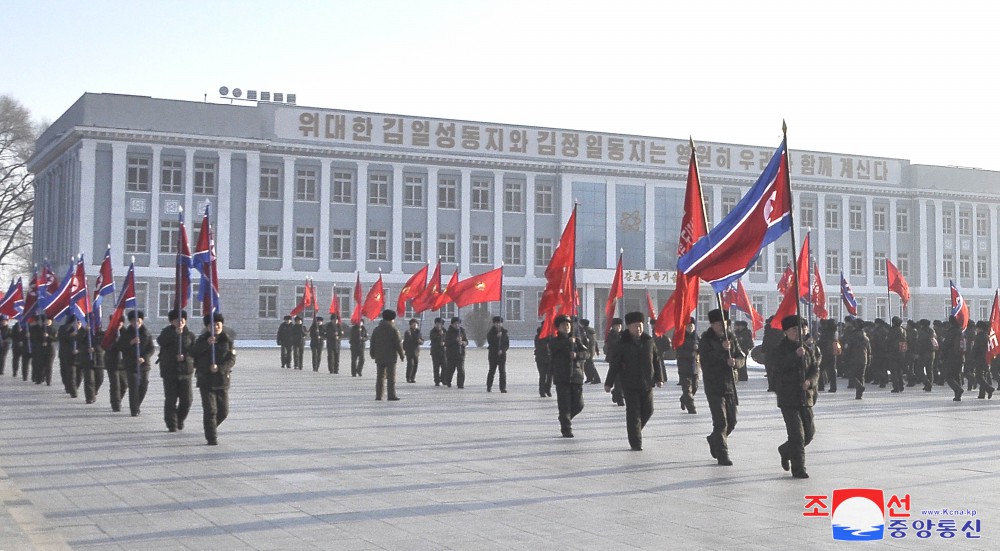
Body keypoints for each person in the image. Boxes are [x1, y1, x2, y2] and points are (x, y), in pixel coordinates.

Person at [604, 312, 663, 451]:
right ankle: (636, 442)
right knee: (633, 413)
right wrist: (609, 382)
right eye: (636, 326)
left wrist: (659, 378)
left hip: (647, 383)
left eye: (641, 326)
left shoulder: (649, 341)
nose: (639, 328)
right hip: (629, 383)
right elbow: (615, 364)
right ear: (629, 327)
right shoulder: (622, 343)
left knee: (648, 410)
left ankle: (635, 431)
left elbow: (656, 360)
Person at [771, 315, 821, 479]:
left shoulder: (807, 349)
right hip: (788, 397)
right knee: (797, 436)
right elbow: (777, 368)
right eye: (794, 329)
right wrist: (794, 356)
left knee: (809, 433)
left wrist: (810, 382)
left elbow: (815, 369)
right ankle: (799, 469)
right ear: (786, 332)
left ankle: (785, 450)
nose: (799, 332)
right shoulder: (780, 349)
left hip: (805, 396)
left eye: (802, 328)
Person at [699, 309, 744, 466]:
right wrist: (722, 351)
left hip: (730, 384)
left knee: (731, 421)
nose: (723, 328)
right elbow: (706, 360)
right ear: (712, 325)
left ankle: (714, 439)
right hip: (714, 385)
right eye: (719, 325)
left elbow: (741, 356)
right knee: (720, 422)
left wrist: (736, 363)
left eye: (725, 324)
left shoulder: (731, 338)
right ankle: (722, 455)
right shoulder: (706, 340)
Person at [192, 313, 236, 445]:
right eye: (213, 325)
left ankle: (210, 428)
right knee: (210, 410)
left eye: (218, 324)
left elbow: (232, 359)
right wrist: (206, 344)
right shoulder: (201, 340)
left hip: (222, 380)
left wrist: (220, 368)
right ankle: (211, 437)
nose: (216, 327)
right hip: (206, 380)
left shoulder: (227, 340)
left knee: (223, 411)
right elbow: (193, 353)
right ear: (207, 327)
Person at [157, 309, 196, 432]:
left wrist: (185, 357)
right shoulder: (166, 332)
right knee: (171, 399)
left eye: (183, 319)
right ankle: (171, 424)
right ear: (172, 321)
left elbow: (195, 352)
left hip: (186, 371)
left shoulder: (190, 335)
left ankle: (179, 419)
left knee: (187, 400)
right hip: (170, 371)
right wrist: (175, 334)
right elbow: (161, 341)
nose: (181, 321)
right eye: (177, 319)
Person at [549, 315, 586, 437]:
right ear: (558, 327)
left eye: (568, 325)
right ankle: (566, 429)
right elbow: (554, 348)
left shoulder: (576, 339)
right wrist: (567, 342)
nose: (567, 327)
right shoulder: (555, 340)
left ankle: (565, 418)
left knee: (579, 405)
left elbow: (587, 353)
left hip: (576, 376)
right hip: (562, 377)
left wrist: (577, 355)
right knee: (564, 405)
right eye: (564, 325)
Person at [117, 310, 155, 417]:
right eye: (134, 321)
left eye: (138, 320)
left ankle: (137, 405)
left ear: (142, 320)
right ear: (130, 322)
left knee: (143, 386)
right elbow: (120, 346)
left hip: (144, 365)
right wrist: (131, 342)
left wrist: (144, 357)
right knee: (133, 387)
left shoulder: (146, 333)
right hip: (130, 364)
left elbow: (151, 348)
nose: (136, 322)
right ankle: (134, 409)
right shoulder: (126, 333)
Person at [370, 309, 404, 401]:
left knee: (380, 377)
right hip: (390, 357)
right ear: (391, 319)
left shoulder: (377, 329)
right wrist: (401, 355)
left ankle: (379, 395)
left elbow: (372, 342)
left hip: (379, 356)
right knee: (391, 377)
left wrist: (372, 353)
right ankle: (391, 395)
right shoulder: (393, 330)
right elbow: (398, 344)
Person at [76, 314, 105, 404]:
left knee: (99, 379)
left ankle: (93, 392)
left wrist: (95, 348)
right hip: (87, 359)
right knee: (89, 380)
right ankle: (89, 397)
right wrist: (85, 331)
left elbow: (103, 345)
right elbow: (78, 342)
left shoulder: (100, 333)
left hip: (98, 359)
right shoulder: (82, 332)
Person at [676, 317, 700, 414]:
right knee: (687, 389)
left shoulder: (696, 337)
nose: (690, 328)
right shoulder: (681, 338)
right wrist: (691, 354)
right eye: (688, 326)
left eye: (692, 326)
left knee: (694, 388)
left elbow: (703, 347)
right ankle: (691, 409)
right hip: (684, 367)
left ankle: (683, 399)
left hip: (695, 368)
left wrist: (698, 349)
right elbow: (679, 351)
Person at [843, 318, 871, 400]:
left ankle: (859, 386)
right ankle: (859, 395)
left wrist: (845, 358)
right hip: (864, 359)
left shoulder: (852, 336)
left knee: (851, 375)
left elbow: (848, 349)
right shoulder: (866, 337)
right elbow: (869, 350)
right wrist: (869, 360)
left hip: (854, 359)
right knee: (861, 377)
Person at [104, 317, 128, 412]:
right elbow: (105, 346)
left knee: (124, 385)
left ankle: (117, 399)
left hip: (123, 363)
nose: (119, 324)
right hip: (112, 362)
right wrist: (115, 343)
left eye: (120, 322)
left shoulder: (127, 333)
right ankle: (115, 404)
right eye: (116, 322)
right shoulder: (108, 333)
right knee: (115, 385)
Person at [941, 315, 966, 401]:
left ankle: (958, 390)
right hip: (960, 356)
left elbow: (945, 345)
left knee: (948, 376)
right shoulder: (960, 332)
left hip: (951, 356)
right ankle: (958, 395)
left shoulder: (951, 332)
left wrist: (942, 356)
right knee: (956, 375)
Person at [29, 314, 56, 386]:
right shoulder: (41, 329)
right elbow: (36, 337)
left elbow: (55, 339)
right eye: (46, 320)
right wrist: (42, 338)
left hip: (50, 350)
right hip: (41, 349)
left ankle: (48, 381)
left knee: (49, 366)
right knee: (40, 365)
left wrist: (48, 336)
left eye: (49, 320)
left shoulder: (54, 329)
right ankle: (39, 379)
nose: (47, 322)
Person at [486, 316, 510, 393]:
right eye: (497, 323)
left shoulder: (504, 333)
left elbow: (506, 344)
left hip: (502, 355)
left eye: (500, 323)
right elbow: (490, 342)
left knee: (502, 371)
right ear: (494, 324)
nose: (498, 325)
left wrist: (502, 350)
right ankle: (489, 386)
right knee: (492, 371)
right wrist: (497, 337)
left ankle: (502, 387)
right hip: (493, 354)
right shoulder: (491, 333)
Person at [604, 318, 625, 406]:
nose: (618, 327)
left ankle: (616, 393)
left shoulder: (624, 334)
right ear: (613, 326)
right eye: (617, 326)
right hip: (614, 360)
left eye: (620, 326)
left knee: (624, 380)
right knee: (617, 380)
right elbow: (612, 344)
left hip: (624, 361)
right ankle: (620, 399)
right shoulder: (610, 335)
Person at [971, 320, 994, 399]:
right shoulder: (987, 336)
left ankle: (989, 389)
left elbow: (975, 349)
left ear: (980, 328)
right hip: (987, 359)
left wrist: (972, 357)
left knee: (979, 376)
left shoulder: (979, 337)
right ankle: (982, 394)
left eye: (977, 328)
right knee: (983, 376)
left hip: (980, 359)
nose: (976, 330)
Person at [58, 316, 79, 397]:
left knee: (76, 374)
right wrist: (71, 335)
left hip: (78, 355)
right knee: (67, 372)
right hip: (65, 354)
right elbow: (61, 338)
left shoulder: (82, 330)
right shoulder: (63, 328)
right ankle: (70, 388)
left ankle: (72, 388)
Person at [444, 317, 468, 388]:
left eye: (458, 324)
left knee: (461, 369)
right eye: (455, 324)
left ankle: (460, 384)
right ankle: (448, 381)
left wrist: (463, 342)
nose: (457, 325)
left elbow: (466, 341)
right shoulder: (449, 332)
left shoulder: (462, 331)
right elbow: (447, 343)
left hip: (461, 353)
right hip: (451, 354)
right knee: (450, 369)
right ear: (452, 324)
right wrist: (455, 340)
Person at [886, 316, 908, 393]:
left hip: (893, 352)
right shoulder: (903, 330)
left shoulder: (892, 330)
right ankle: (901, 385)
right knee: (899, 370)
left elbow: (888, 341)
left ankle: (896, 386)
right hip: (901, 352)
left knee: (894, 371)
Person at [402, 318, 423, 383]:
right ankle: (408, 377)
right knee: (410, 364)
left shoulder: (418, 332)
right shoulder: (408, 332)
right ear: (410, 325)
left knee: (415, 365)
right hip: (409, 351)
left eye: (416, 324)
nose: (415, 326)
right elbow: (408, 340)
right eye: (413, 324)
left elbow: (422, 341)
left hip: (416, 351)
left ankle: (413, 377)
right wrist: (416, 339)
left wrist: (420, 341)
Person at [580, 319, 601, 384]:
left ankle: (597, 379)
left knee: (590, 365)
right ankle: (589, 378)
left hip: (588, 350)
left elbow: (585, 341)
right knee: (587, 364)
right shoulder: (592, 331)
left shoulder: (585, 331)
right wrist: (597, 350)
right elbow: (595, 341)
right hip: (592, 349)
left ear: (583, 324)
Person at [534, 325, 552, 398]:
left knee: (550, 376)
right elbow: (538, 347)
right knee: (542, 376)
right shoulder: (538, 336)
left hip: (550, 358)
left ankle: (547, 389)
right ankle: (542, 391)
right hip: (541, 358)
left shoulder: (552, 336)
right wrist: (547, 345)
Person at [429, 317, 447, 386]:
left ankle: (443, 379)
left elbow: (447, 339)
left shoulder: (444, 330)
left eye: (440, 324)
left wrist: (444, 343)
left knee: (445, 366)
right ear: (435, 324)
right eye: (437, 324)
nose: (439, 325)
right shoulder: (433, 331)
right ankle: (437, 380)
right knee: (436, 367)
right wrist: (439, 335)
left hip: (443, 352)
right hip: (435, 352)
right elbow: (433, 339)